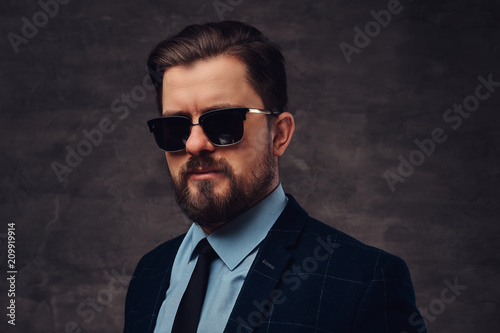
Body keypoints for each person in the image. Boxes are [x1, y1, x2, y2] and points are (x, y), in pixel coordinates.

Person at [124, 20, 427, 333]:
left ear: (279, 134)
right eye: (174, 128)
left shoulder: (364, 281)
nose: (195, 144)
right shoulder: (150, 273)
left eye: (224, 123)